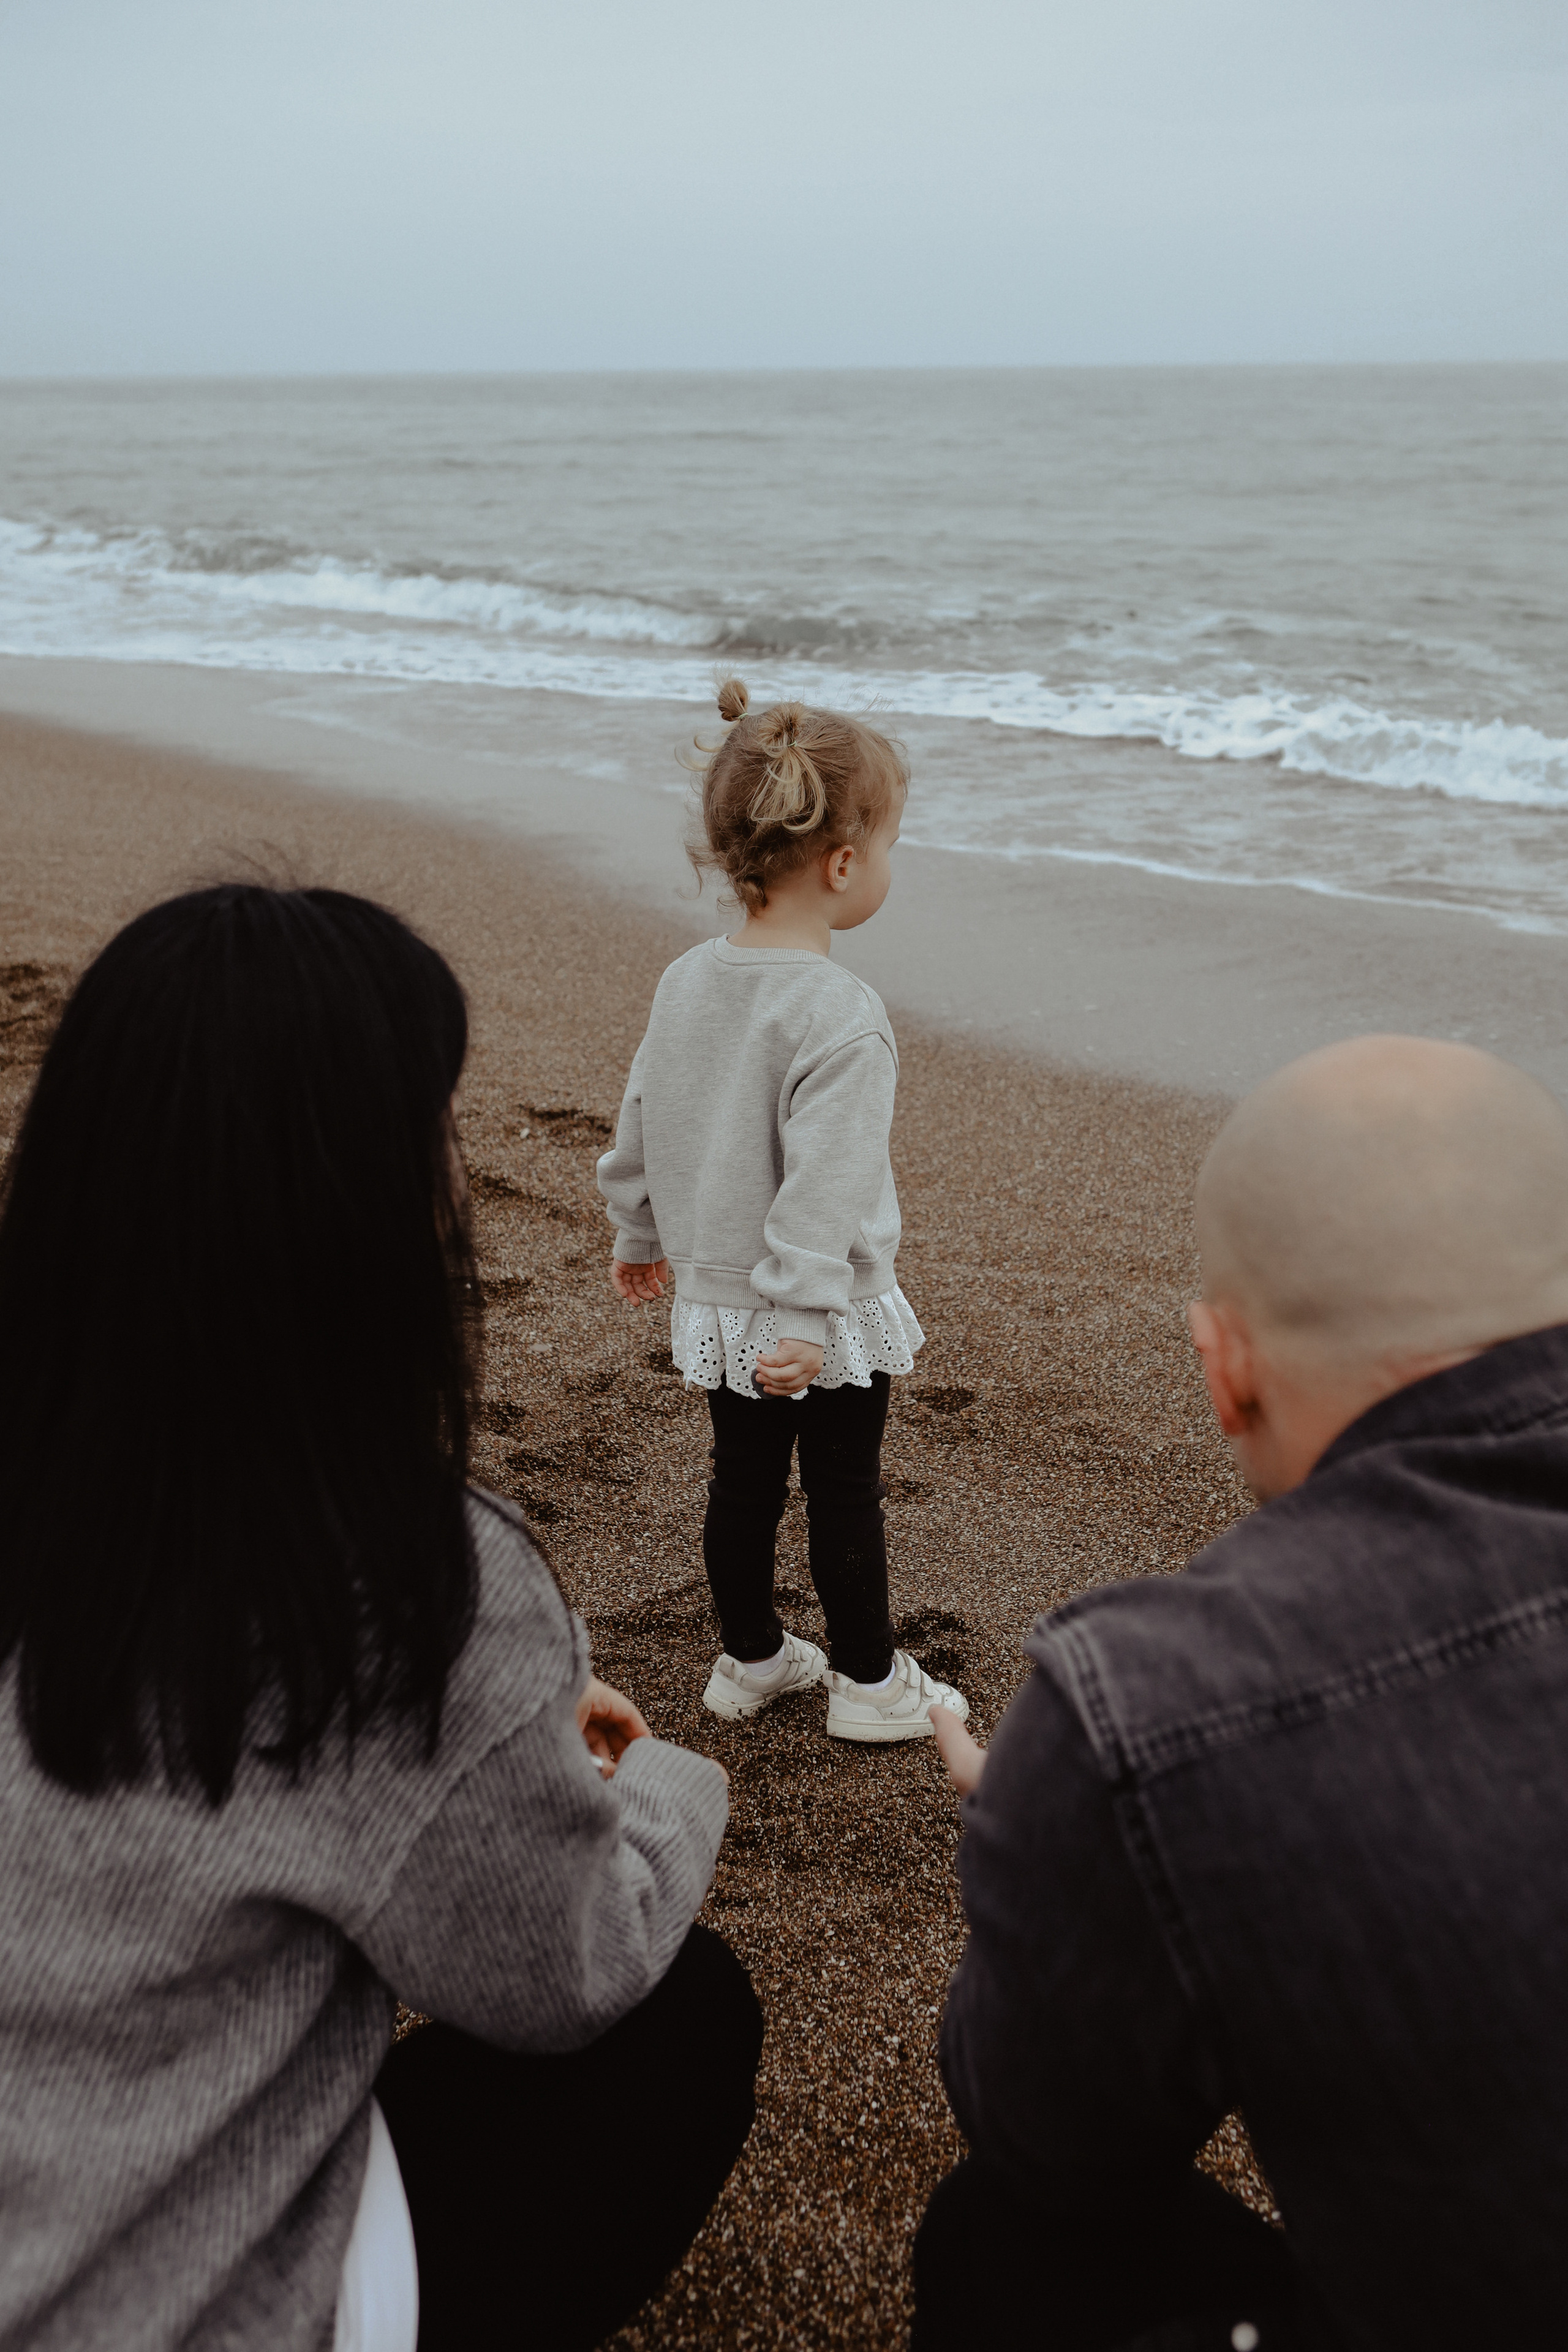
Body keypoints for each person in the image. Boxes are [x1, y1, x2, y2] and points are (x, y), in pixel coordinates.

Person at [0, 884, 761, 2352]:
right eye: (434, 1135)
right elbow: (561, 1973)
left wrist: (512, 1742)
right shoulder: (382, 1584)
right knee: (682, 2019)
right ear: (356, 1219)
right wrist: (665, 1785)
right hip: (151, 2307)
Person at [918, 1035, 1568, 2351]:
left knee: (1000, 2237)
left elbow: (1046, 2140)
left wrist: (1043, 1826)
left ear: (1225, 1368)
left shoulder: (1152, 1705)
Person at [596, 678, 968, 1743]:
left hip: (719, 1296)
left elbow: (641, 1115)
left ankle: (752, 1657)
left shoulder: (686, 980)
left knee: (744, 1482)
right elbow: (827, 1180)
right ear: (843, 865)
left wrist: (638, 1229)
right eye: (888, 847)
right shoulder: (841, 1012)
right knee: (844, 1488)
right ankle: (868, 1684)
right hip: (820, 1303)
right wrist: (805, 1313)